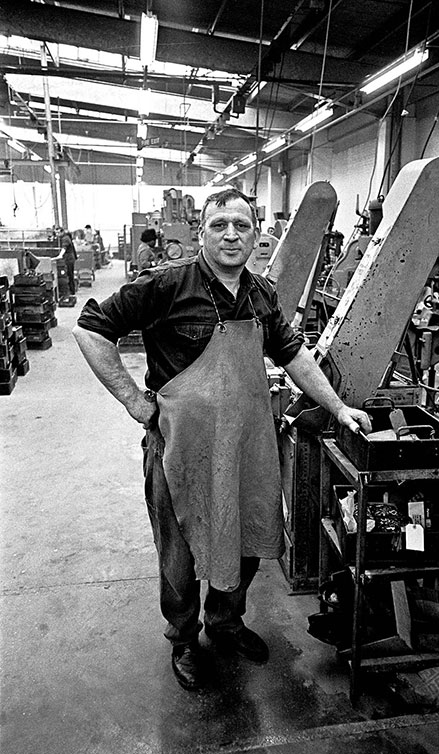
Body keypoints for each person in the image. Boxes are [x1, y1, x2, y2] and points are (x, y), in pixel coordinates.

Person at [72, 188, 371, 692]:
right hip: (179, 448)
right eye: (219, 225)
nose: (231, 235)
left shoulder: (261, 293)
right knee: (180, 549)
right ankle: (184, 637)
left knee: (249, 533)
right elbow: (90, 329)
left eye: (242, 225)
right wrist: (134, 402)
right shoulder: (166, 285)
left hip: (245, 445)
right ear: (203, 232)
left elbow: (293, 353)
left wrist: (337, 406)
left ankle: (226, 623)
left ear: (255, 234)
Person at [58, 228, 78, 295]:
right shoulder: (66, 237)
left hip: (69, 259)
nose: (57, 235)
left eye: (58, 233)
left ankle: (72, 291)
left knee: (70, 274)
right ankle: (72, 290)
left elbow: (64, 248)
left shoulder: (65, 238)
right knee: (70, 274)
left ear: (62, 232)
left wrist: (60, 255)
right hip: (70, 258)